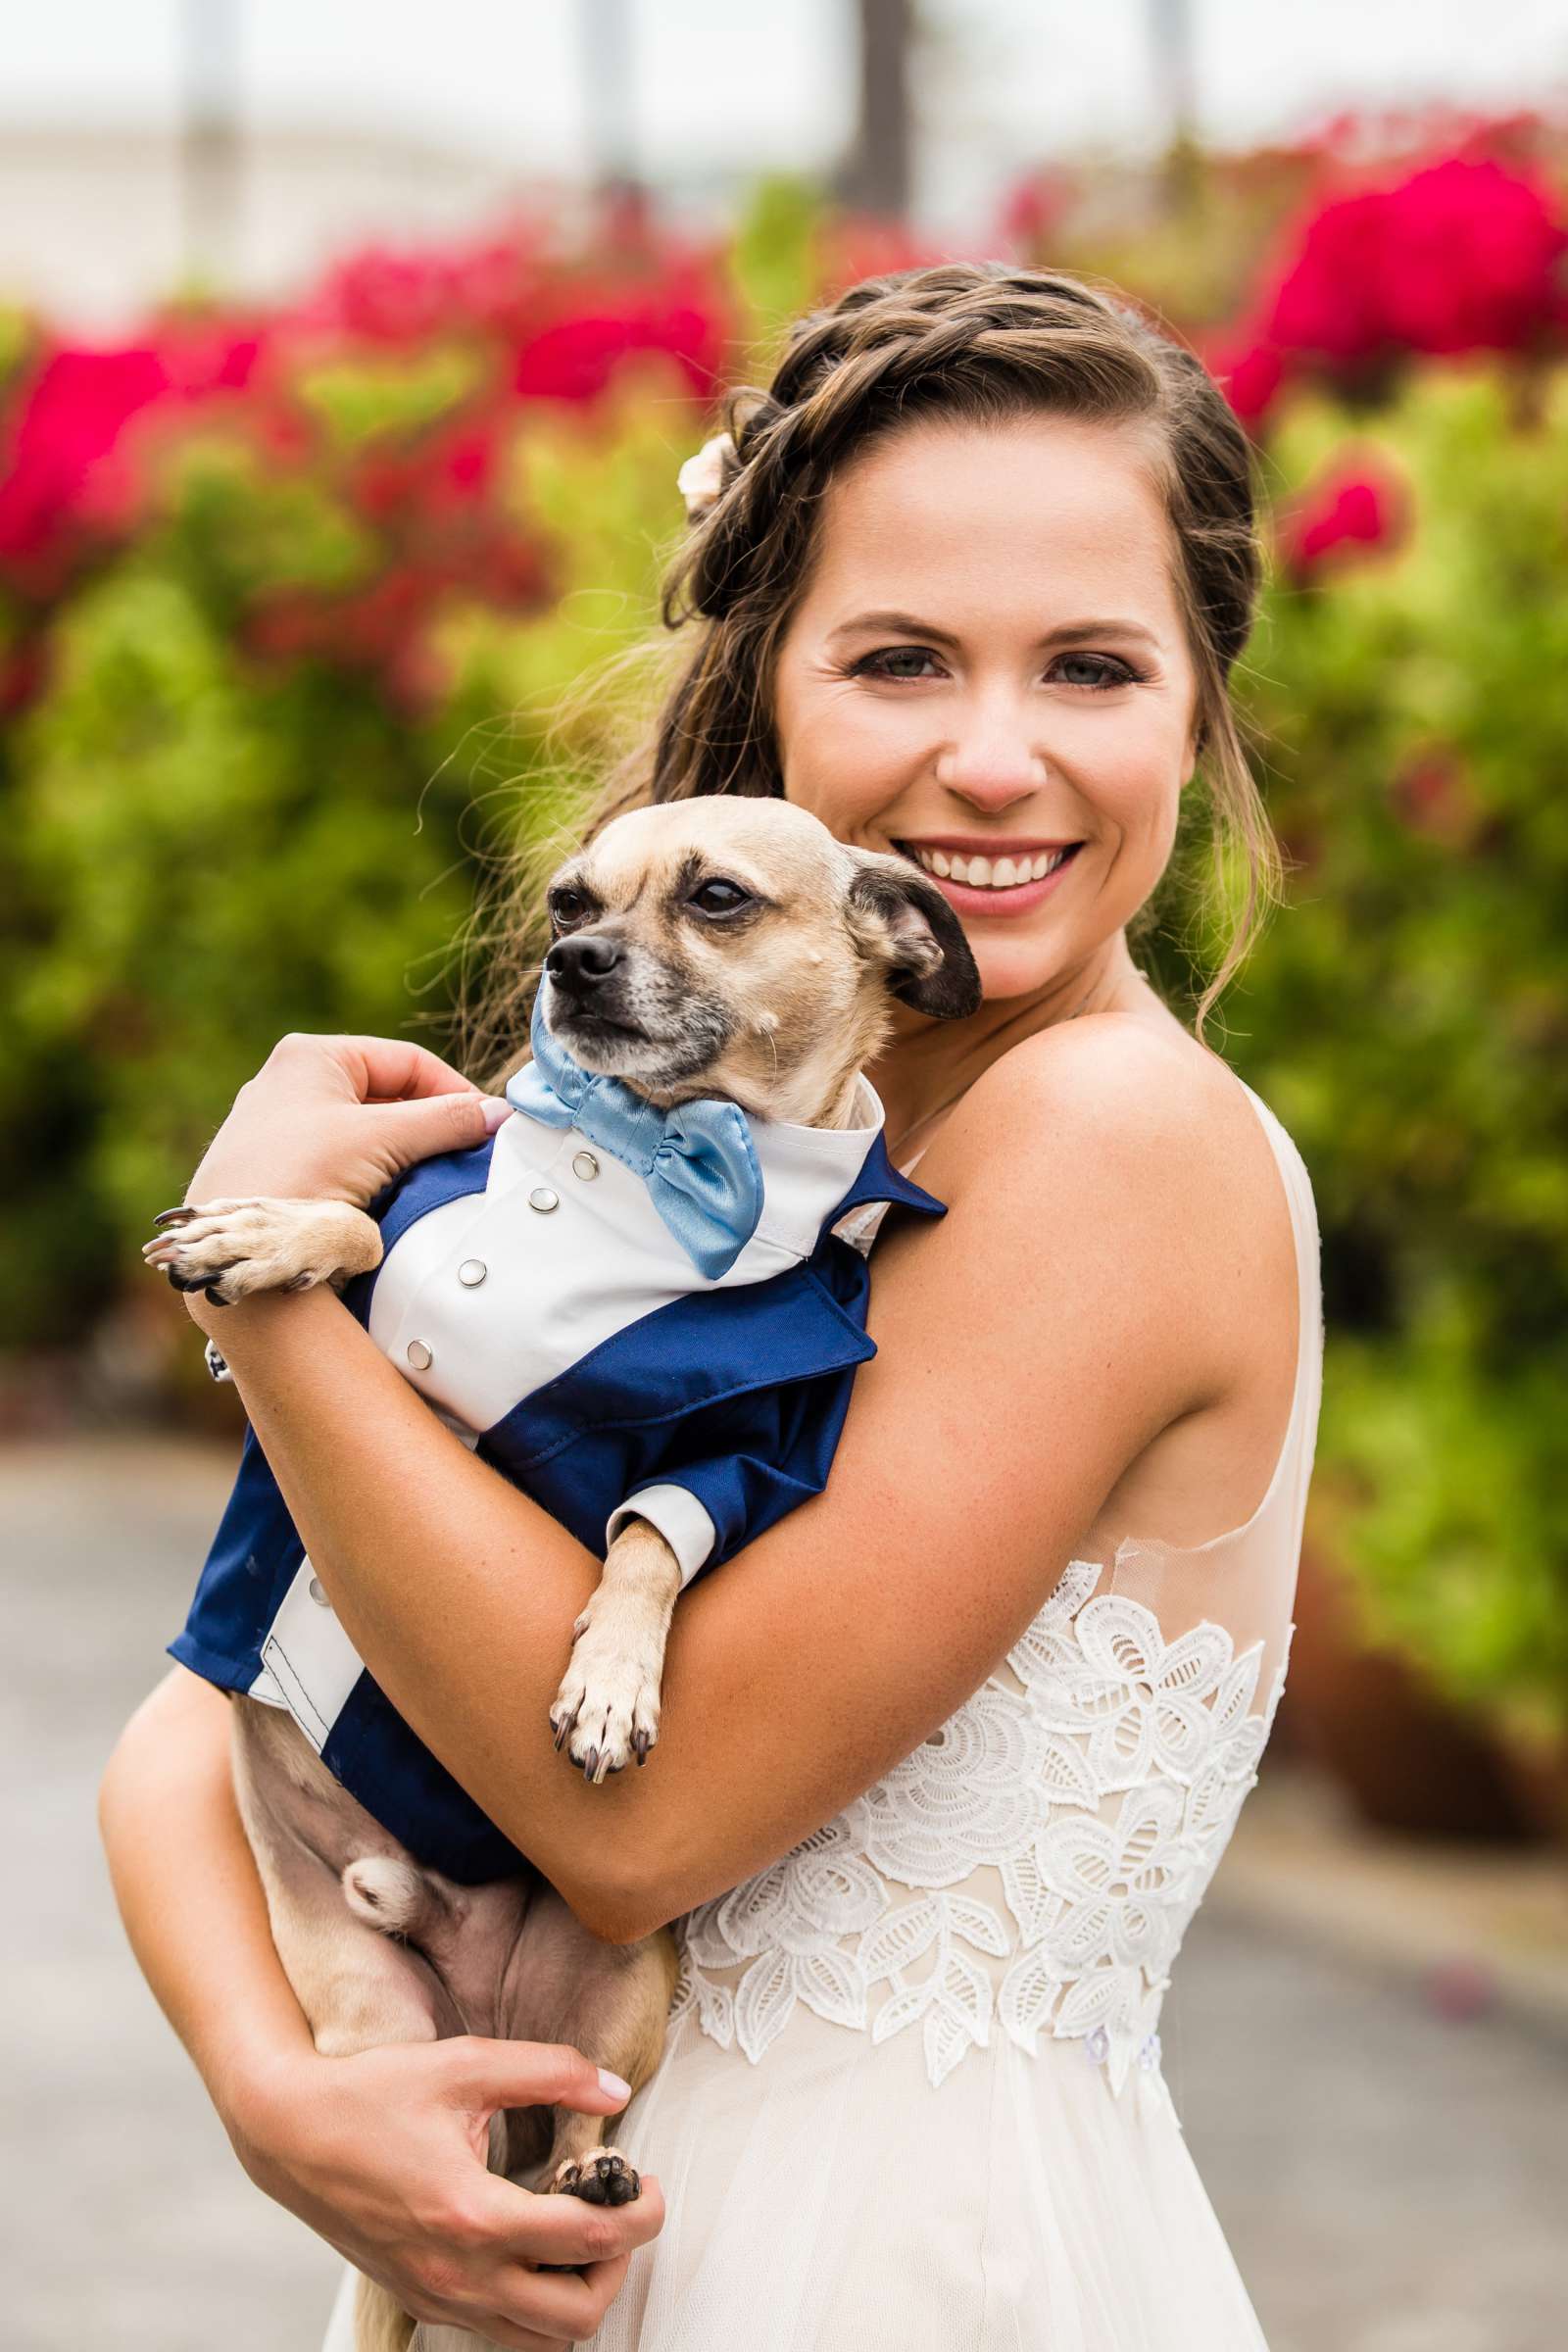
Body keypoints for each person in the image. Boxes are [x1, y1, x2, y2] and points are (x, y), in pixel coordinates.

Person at [99, 262, 1324, 2350]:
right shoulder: (664, 1157)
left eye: (1094, 669)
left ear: (1199, 704)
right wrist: (280, 2084)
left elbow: (645, 1816)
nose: (995, 757)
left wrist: (277, 1291)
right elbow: (218, 1704)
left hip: (877, 2261)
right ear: (767, 689)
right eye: (901, 658)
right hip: (538, 2231)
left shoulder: (1115, 1139)